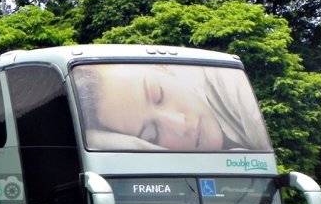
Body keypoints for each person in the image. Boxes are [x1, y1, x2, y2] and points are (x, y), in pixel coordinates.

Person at [72, 63, 272, 151]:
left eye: (159, 96)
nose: (181, 125)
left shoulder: (228, 82)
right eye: (152, 135)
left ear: (161, 67)